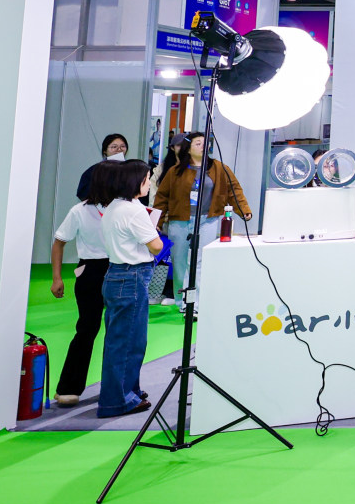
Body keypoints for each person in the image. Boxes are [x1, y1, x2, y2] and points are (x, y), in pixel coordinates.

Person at [95, 159, 161, 418]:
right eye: (147, 178)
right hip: (131, 276)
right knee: (127, 342)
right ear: (136, 181)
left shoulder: (115, 206)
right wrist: (152, 232)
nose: (149, 183)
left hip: (118, 274)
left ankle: (126, 391)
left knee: (123, 340)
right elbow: (156, 245)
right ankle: (117, 400)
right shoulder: (133, 211)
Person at [154, 132, 252, 297]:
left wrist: (243, 210)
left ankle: (196, 302)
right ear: (188, 149)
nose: (203, 146)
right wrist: (157, 220)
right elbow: (162, 197)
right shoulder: (175, 171)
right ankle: (181, 301)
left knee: (200, 261)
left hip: (207, 220)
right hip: (179, 221)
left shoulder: (219, 168)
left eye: (205, 143)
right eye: (198, 143)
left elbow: (234, 189)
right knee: (179, 262)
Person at [50, 162, 112, 407]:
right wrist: (57, 278)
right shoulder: (79, 211)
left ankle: (119, 387)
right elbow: (59, 242)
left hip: (120, 268)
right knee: (87, 328)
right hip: (90, 270)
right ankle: (68, 387)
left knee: (120, 331)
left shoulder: (124, 208)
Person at [74, 133, 129, 200]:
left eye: (123, 146)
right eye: (114, 147)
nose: (119, 149)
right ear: (105, 151)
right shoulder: (94, 170)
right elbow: (83, 193)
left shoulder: (132, 169)